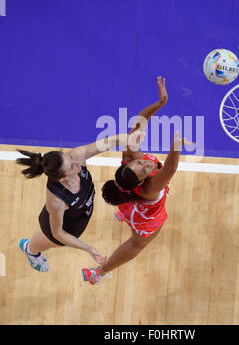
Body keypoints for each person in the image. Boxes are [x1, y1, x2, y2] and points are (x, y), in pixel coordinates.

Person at [82, 76, 193, 284]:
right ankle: (100, 272)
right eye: (143, 171)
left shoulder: (130, 157)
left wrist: (159, 104)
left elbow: (140, 121)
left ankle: (123, 216)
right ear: (141, 183)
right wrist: (175, 146)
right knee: (137, 244)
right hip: (145, 216)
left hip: (128, 200)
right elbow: (169, 170)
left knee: (128, 202)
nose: (146, 165)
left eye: (139, 164)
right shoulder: (151, 187)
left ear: (128, 162)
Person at [17, 133, 134, 273]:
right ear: (62, 178)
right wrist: (88, 248)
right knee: (48, 242)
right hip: (63, 229)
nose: (77, 163)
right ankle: (30, 250)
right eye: (71, 167)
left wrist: (129, 138)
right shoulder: (56, 201)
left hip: (79, 215)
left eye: (70, 158)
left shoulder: (76, 157)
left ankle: (67, 241)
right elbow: (58, 233)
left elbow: (108, 142)